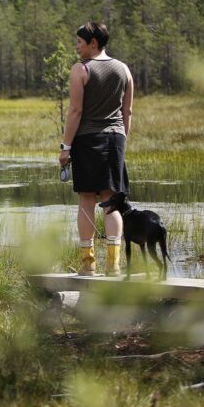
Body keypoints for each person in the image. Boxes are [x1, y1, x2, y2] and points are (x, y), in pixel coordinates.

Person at [58, 22, 134, 276]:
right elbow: (127, 112)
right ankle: (113, 266)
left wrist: (66, 147)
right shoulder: (123, 69)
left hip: (88, 141)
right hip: (115, 140)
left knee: (86, 201)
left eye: (80, 41)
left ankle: (88, 264)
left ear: (93, 43)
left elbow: (76, 111)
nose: (76, 45)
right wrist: (122, 139)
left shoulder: (81, 70)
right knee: (111, 203)